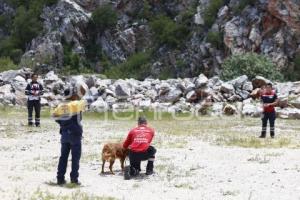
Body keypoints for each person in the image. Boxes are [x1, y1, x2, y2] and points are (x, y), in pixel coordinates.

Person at [52, 86, 87, 185]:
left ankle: (60, 178)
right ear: (73, 95)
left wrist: (62, 123)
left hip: (64, 134)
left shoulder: (60, 106)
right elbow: (85, 101)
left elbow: (54, 116)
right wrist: (82, 93)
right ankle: (74, 179)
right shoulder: (76, 104)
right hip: (75, 134)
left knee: (63, 157)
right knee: (75, 158)